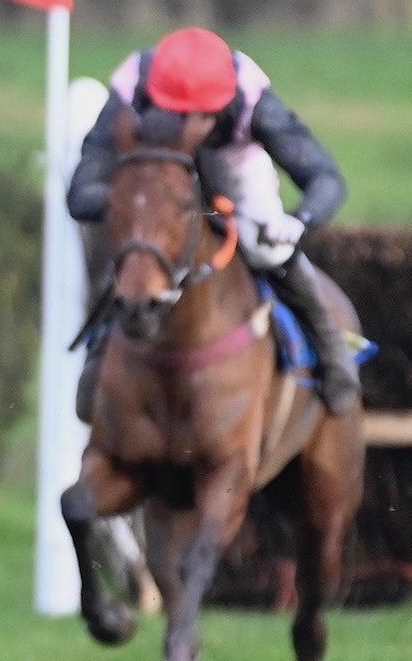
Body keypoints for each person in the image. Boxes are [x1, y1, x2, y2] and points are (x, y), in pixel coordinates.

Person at [65, 26, 358, 417]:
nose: (190, 127)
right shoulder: (132, 89)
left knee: (267, 249)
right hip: (158, 162)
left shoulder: (255, 103)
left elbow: (326, 178)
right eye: (178, 113)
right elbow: (82, 189)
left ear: (222, 105)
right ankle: (99, 351)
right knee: (137, 246)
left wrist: (299, 221)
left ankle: (330, 349)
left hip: (231, 163)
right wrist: (130, 208)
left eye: (201, 115)